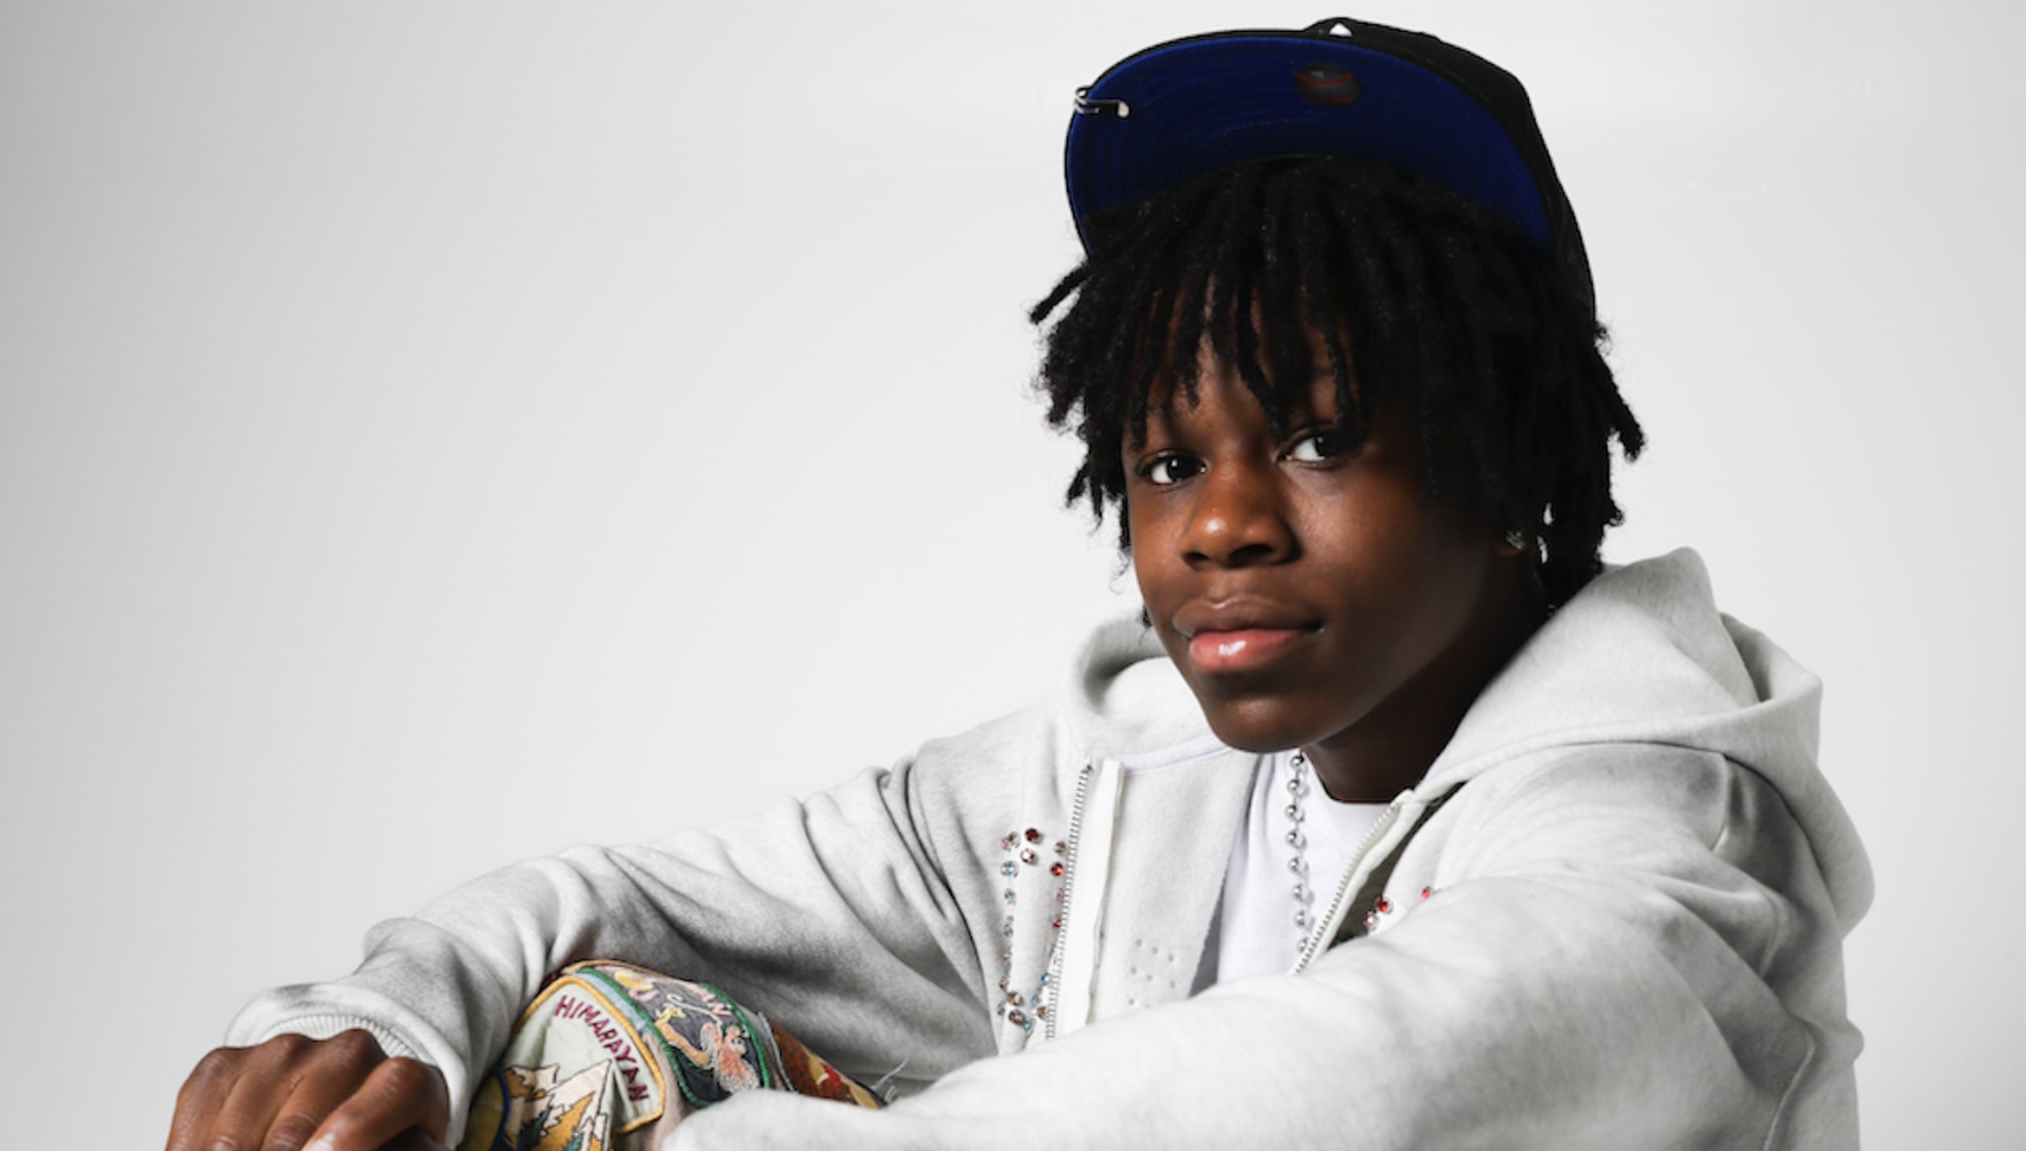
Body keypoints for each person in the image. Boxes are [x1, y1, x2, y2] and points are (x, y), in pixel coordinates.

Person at [164, 17, 1872, 1151]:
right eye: (1162, 459)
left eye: (1325, 438)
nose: (1219, 526)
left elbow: (1380, 1073)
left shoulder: (1658, 836)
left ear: (1511, 462)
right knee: (575, 1035)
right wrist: (378, 1026)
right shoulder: (1118, 777)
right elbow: (636, 897)